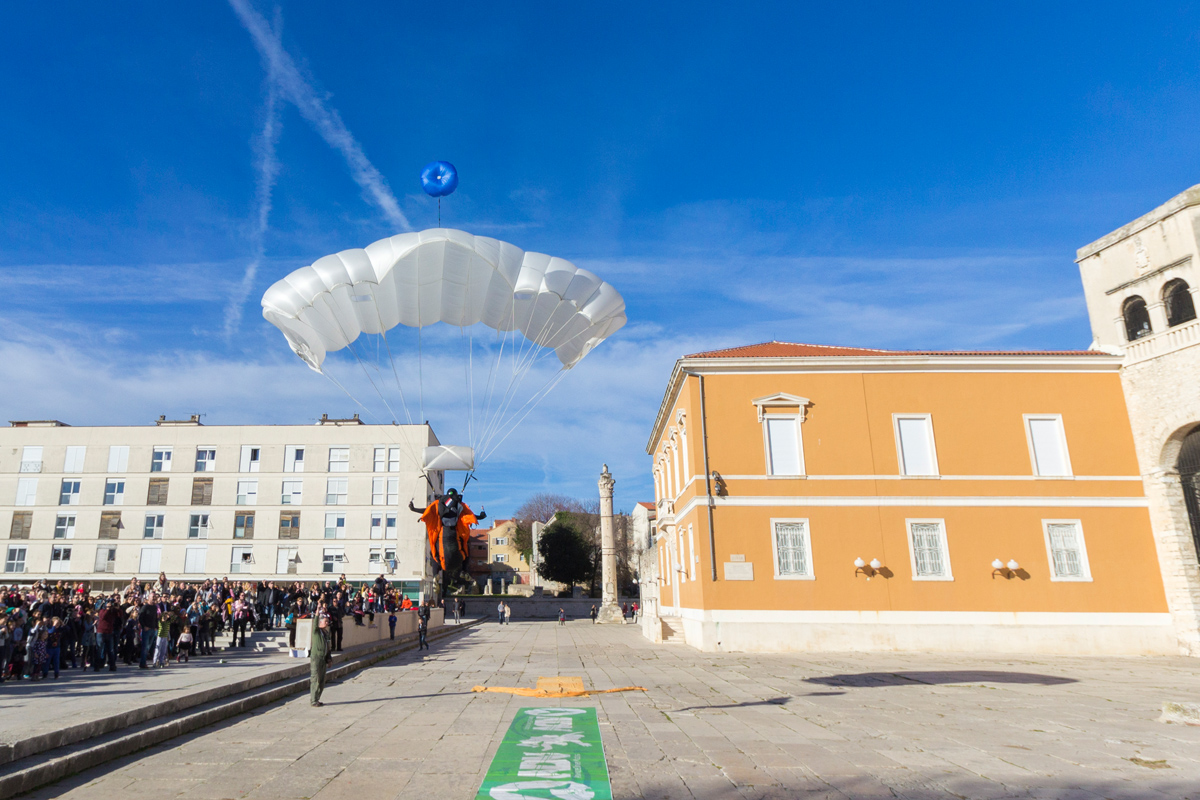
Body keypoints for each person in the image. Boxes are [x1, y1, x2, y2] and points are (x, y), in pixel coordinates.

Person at [309, 613, 332, 707]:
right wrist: (317, 613)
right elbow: (315, 624)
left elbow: (328, 647)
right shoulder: (316, 631)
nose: (327, 623)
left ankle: (317, 698)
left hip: (323, 658)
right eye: (325, 621)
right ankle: (313, 700)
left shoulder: (326, 633)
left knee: (322, 680)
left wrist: (329, 659)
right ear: (320, 622)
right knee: (315, 678)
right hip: (316, 657)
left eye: (327, 621)